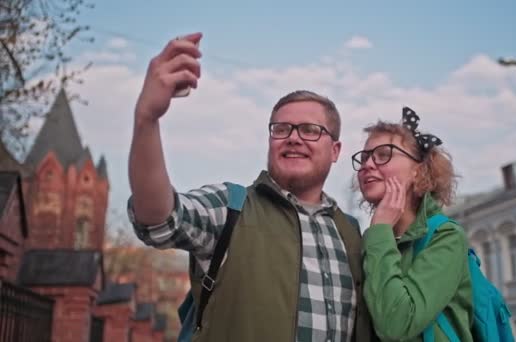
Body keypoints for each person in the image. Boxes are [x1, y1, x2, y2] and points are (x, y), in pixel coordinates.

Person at [127, 32, 375, 342]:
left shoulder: (352, 234)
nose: (293, 137)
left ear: (336, 150)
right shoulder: (230, 208)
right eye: (282, 129)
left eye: (310, 130)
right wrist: (147, 119)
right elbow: (159, 219)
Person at [351, 107, 474, 341]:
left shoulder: (446, 236)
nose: (367, 164)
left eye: (384, 154)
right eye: (364, 157)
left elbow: (396, 325)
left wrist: (379, 231)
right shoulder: (372, 239)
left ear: (418, 171)